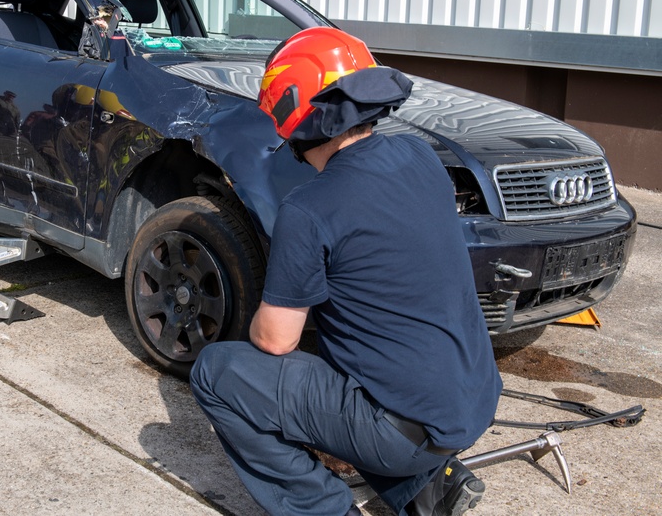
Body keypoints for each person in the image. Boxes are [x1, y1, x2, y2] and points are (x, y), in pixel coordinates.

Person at [190, 27, 502, 516]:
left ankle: (322, 509)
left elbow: (276, 341)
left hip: (401, 431)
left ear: (291, 114)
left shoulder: (309, 207)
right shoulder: (421, 156)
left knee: (218, 372)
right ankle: (429, 491)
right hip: (472, 399)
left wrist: (260, 313)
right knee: (351, 359)